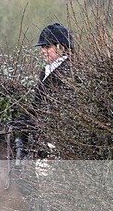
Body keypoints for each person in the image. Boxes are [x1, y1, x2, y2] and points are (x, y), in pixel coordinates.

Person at [11, 23, 74, 164]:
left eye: (47, 47)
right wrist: (21, 121)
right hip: (42, 129)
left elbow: (55, 108)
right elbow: (37, 104)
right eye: (42, 47)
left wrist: (31, 122)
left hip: (58, 135)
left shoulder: (69, 72)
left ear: (61, 47)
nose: (43, 51)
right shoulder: (46, 71)